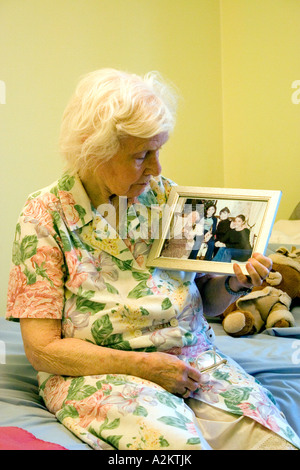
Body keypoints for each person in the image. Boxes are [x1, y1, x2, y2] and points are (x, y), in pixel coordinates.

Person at [6, 69, 299, 450]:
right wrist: (143, 367)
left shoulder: (165, 197)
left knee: (276, 445)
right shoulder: (44, 216)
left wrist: (233, 283)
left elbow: (203, 303)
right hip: (104, 374)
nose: (156, 169)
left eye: (158, 151)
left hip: (195, 361)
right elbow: (42, 349)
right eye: (141, 156)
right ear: (93, 152)